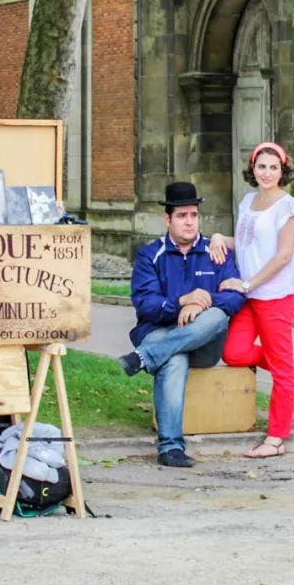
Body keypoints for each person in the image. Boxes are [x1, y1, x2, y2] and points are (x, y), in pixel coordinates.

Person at [118, 182, 246, 468]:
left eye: (193, 215)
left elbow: (235, 297)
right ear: (168, 219)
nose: (189, 222)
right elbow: (146, 305)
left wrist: (203, 301)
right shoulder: (149, 255)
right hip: (160, 333)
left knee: (217, 315)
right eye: (182, 216)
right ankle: (170, 448)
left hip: (204, 343)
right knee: (174, 358)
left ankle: (145, 357)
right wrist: (181, 302)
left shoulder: (216, 252)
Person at [210, 142, 294, 459]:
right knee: (234, 352)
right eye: (262, 166)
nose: (267, 172)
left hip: (274, 296)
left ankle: (276, 438)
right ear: (253, 168)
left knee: (281, 373)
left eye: (274, 167)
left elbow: (283, 255)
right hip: (250, 296)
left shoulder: (288, 207)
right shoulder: (247, 201)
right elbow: (243, 245)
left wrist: (248, 283)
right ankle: (290, 356)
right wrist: (218, 238)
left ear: (283, 170)